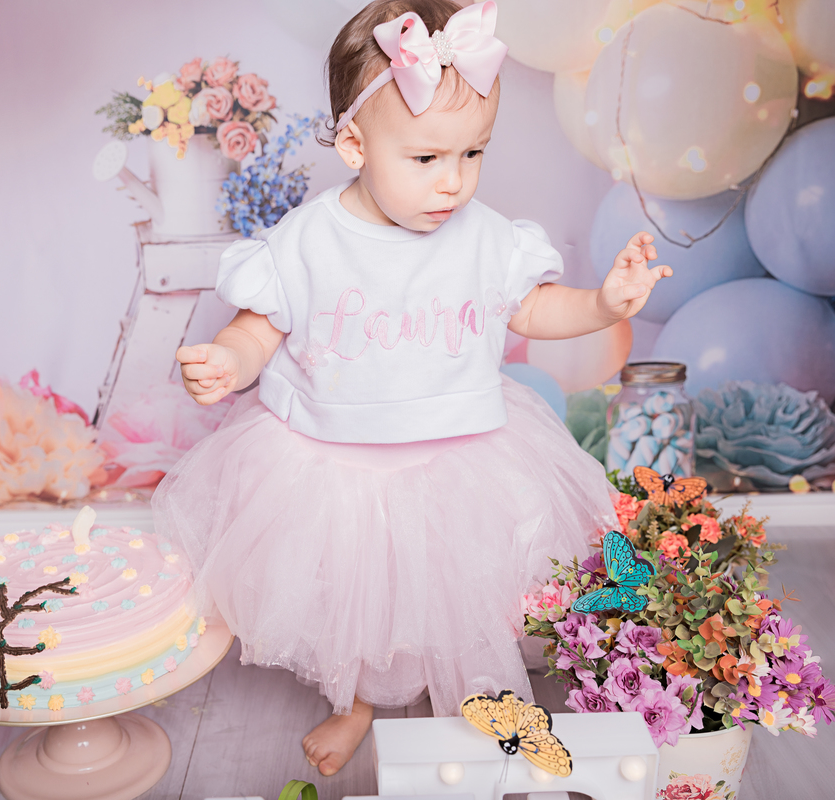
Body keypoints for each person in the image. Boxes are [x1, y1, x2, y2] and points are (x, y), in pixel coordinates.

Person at [153, 0, 672, 777]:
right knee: (350, 601)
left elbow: (532, 309)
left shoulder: (485, 235)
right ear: (355, 145)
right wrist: (230, 360)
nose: (453, 182)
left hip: (460, 460)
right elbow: (260, 327)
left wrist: (603, 304)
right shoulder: (309, 239)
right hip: (331, 465)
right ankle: (354, 703)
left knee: (459, 593)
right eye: (427, 158)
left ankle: (479, 704)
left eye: (473, 153)